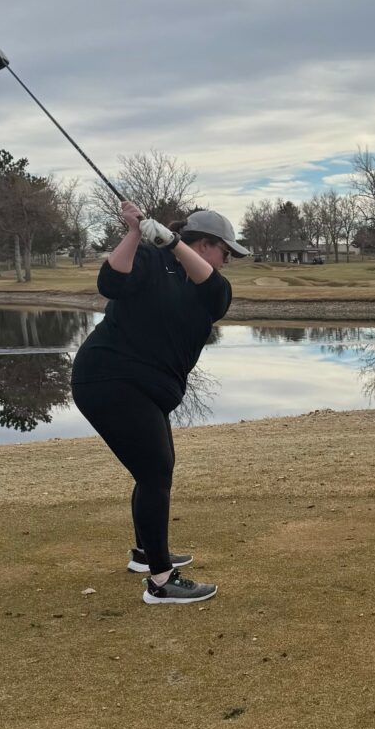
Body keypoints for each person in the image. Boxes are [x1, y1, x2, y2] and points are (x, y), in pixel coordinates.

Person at [70, 201, 249, 604]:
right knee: (155, 472)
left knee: (154, 469)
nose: (227, 261)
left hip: (147, 388)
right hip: (109, 378)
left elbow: (211, 287)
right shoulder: (151, 261)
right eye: (225, 252)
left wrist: (170, 242)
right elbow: (109, 282)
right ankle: (161, 581)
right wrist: (135, 232)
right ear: (204, 244)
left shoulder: (212, 289)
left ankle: (145, 554)